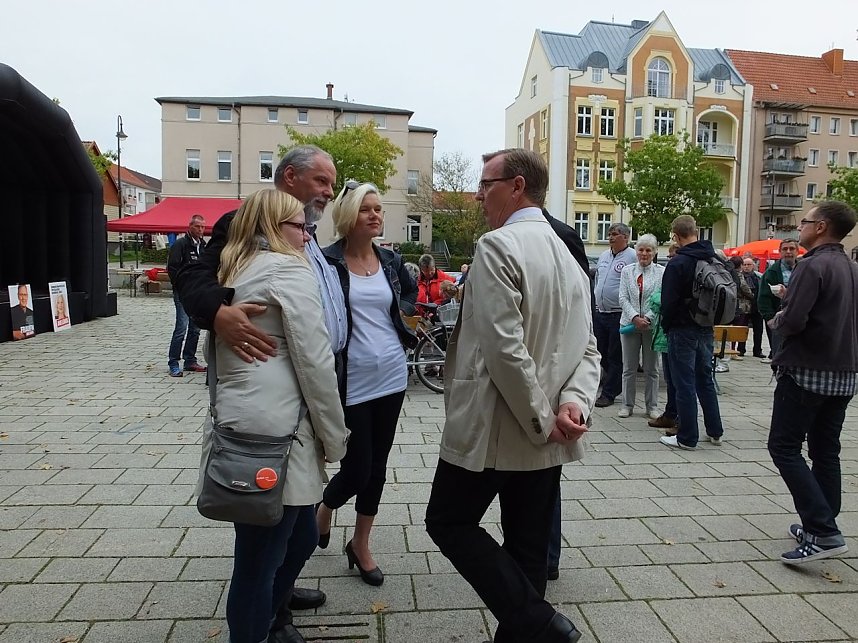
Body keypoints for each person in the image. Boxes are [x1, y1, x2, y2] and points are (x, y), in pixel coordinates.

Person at [425, 148, 599, 643]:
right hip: (548, 429)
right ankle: (529, 628)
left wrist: (545, 417)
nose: (480, 194)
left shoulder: (498, 246)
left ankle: (541, 624)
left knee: (448, 521)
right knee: (527, 545)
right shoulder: (568, 252)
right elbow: (588, 348)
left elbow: (504, 348)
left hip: (496, 426)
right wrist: (574, 405)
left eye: (487, 183)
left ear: (517, 185)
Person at [175, 145, 342, 642]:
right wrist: (336, 438)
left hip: (276, 414)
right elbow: (192, 278)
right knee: (264, 552)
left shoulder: (264, 256)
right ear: (288, 180)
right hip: (278, 425)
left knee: (295, 536)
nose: (327, 196)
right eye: (321, 183)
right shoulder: (271, 254)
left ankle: (273, 609)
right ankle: (264, 621)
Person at [315, 181, 418, 586]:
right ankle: (323, 510)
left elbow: (407, 294)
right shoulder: (326, 262)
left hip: (392, 374)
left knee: (378, 466)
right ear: (348, 217)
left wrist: (406, 316)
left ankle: (361, 543)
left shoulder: (390, 260)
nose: (376, 215)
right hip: (351, 379)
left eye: (378, 209)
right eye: (366, 209)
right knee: (356, 467)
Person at [767, 201, 857, 564]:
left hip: (806, 371)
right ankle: (823, 521)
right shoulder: (852, 268)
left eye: (804, 222)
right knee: (825, 450)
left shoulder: (812, 265)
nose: (799, 228)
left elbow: (794, 320)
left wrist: (778, 320)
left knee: (784, 447)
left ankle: (822, 528)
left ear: (820, 227)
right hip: (845, 373)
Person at [658, 215, 725, 450]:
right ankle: (715, 431)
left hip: (681, 328)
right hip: (706, 327)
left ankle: (687, 437)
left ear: (676, 236)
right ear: (696, 232)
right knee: (705, 379)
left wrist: (666, 326)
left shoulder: (678, 263)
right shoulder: (714, 258)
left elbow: (668, 301)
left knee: (683, 382)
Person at [617, 234, 664, 419]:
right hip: (629, 324)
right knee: (628, 368)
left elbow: (661, 298)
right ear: (636, 251)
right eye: (641, 250)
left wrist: (649, 318)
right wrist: (635, 317)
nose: (644, 254)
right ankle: (627, 405)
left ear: (654, 252)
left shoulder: (661, 272)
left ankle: (652, 406)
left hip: (651, 326)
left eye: (648, 250)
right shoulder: (627, 271)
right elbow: (622, 297)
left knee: (651, 369)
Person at [593, 222, 636, 407]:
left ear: (625, 237)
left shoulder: (632, 256)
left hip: (619, 313)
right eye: (610, 233)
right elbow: (598, 279)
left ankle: (609, 392)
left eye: (615, 234)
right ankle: (614, 381)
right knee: (600, 351)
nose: (610, 237)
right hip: (601, 312)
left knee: (615, 354)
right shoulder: (604, 255)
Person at [166, 215, 208, 377]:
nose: (200, 230)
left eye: (203, 227)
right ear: (190, 226)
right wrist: (181, 286)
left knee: (195, 327)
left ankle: (190, 360)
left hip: (198, 292)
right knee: (181, 327)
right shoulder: (181, 244)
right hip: (183, 292)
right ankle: (173, 362)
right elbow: (173, 268)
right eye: (197, 226)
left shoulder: (203, 245)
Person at [649, 243, 679, 432]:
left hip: (675, 332)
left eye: (671, 256)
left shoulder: (677, 272)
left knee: (678, 380)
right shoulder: (672, 272)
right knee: (671, 379)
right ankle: (670, 414)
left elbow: (660, 300)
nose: (670, 260)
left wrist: (658, 301)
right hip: (667, 332)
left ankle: (679, 420)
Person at [759, 239, 800, 364]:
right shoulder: (771, 273)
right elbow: (763, 298)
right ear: (780, 252)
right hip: (779, 318)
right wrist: (769, 319)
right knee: (779, 355)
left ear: (797, 251)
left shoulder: (804, 269)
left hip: (800, 318)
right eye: (785, 249)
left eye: (791, 249)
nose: (788, 252)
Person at [736, 256, 763, 359]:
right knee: (743, 329)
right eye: (744, 265)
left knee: (758, 329)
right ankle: (741, 349)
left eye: (749, 265)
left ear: (753, 266)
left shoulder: (758, 276)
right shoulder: (740, 276)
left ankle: (757, 350)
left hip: (757, 306)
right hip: (745, 306)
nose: (746, 267)